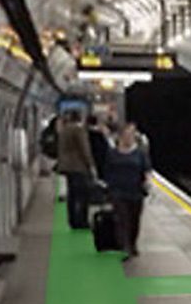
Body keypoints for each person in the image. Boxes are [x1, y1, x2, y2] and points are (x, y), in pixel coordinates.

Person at [100, 122, 152, 260]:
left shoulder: (140, 153)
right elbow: (107, 171)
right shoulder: (112, 153)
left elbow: (146, 169)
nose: (129, 137)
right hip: (117, 191)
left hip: (136, 191)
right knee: (122, 220)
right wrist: (107, 187)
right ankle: (125, 246)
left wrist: (147, 182)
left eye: (132, 134)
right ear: (121, 136)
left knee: (134, 220)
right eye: (127, 134)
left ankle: (132, 243)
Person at [53, 111, 96, 230]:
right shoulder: (78, 130)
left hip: (66, 167)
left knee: (71, 194)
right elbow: (84, 149)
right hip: (78, 167)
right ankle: (82, 221)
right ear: (80, 118)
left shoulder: (64, 130)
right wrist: (91, 165)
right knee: (83, 195)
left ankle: (72, 220)